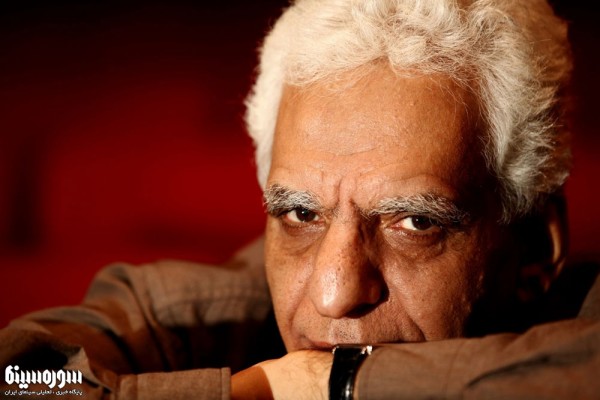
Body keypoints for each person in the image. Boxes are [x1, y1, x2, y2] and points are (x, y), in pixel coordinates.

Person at [1, 0, 599, 399]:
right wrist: (264, 390)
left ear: (535, 251)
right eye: (301, 213)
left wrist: (339, 383)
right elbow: (21, 382)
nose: (333, 295)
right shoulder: (212, 309)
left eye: (416, 222)